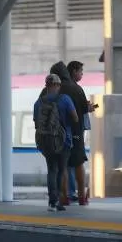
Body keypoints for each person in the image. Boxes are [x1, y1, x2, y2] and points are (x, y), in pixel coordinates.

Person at [33, 74, 77, 212]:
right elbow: (75, 118)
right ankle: (57, 200)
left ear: (46, 85)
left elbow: (36, 123)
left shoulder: (38, 102)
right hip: (64, 141)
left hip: (46, 141)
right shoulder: (65, 99)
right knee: (61, 170)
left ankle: (52, 202)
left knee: (51, 170)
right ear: (58, 85)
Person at [50, 61, 91, 206]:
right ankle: (81, 197)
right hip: (77, 132)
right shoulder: (76, 89)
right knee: (79, 163)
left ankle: (64, 197)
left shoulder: (51, 90)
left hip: (57, 134)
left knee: (63, 165)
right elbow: (83, 111)